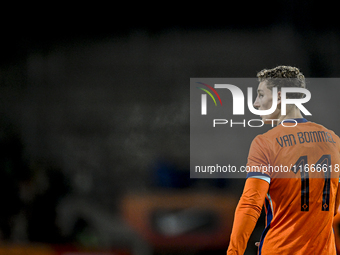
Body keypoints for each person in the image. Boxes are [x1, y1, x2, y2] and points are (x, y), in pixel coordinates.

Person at [226, 66, 340, 255]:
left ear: (279, 97)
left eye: (261, 95)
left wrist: (234, 252)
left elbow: (250, 203)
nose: (255, 103)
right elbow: (334, 206)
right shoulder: (334, 140)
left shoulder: (266, 143)